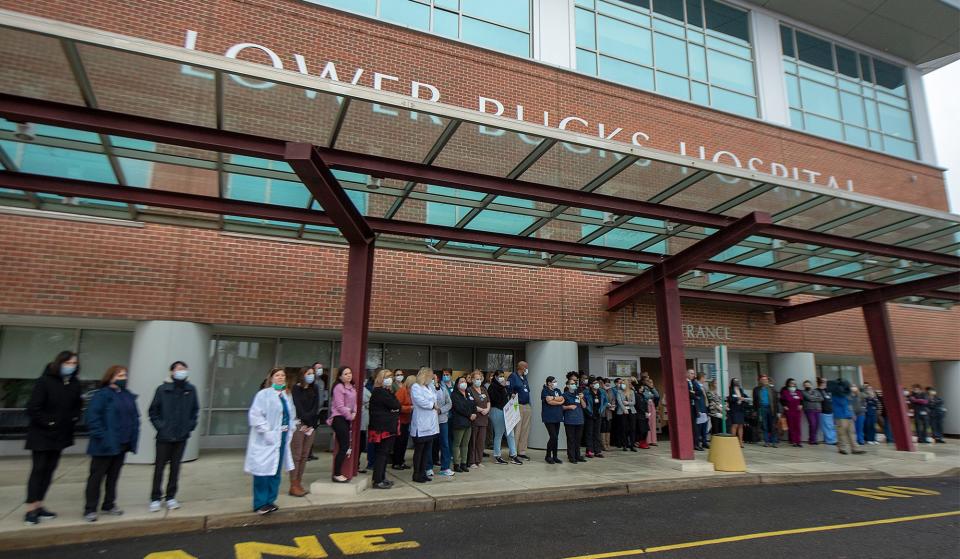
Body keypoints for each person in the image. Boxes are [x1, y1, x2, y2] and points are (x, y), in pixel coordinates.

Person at [23, 351, 83, 525]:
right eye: (69, 362)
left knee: (50, 470)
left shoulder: (74, 383)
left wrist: (74, 417)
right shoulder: (44, 382)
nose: (71, 366)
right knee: (38, 469)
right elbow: (33, 408)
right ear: (60, 363)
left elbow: (77, 405)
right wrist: (49, 422)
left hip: (61, 435)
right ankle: (30, 508)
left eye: (74, 363)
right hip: (41, 435)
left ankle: (40, 504)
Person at [84, 365, 140, 522]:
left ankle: (109, 503)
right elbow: (93, 419)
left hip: (122, 443)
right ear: (110, 377)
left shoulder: (128, 395)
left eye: (125, 375)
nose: (123, 378)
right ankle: (90, 508)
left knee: (113, 477)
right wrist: (103, 437)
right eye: (120, 375)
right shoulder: (102, 395)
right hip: (104, 445)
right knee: (96, 477)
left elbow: (134, 417)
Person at [148, 360, 199, 511]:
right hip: (164, 436)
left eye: (184, 368)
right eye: (178, 369)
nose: (182, 371)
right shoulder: (162, 389)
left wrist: (189, 427)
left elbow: (194, 411)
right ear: (172, 372)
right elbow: (153, 411)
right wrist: (161, 427)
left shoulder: (190, 390)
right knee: (159, 468)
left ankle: (171, 496)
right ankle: (155, 498)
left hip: (181, 436)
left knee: (175, 468)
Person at [244, 368, 296, 514]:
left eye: (283, 376)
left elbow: (290, 414)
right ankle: (260, 503)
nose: (280, 378)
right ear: (271, 378)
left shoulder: (285, 396)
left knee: (275, 471)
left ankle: (270, 500)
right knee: (262, 472)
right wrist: (266, 431)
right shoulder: (264, 394)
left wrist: (290, 428)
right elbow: (255, 415)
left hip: (282, 438)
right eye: (277, 375)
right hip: (266, 439)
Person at [287, 366, 319, 497]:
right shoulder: (296, 388)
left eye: (312, 373)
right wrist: (305, 422)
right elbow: (298, 407)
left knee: (305, 455)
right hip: (299, 424)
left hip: (311, 426)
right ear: (303, 375)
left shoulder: (315, 388)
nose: (311, 375)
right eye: (308, 373)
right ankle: (293, 483)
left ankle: (299, 482)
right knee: (297, 455)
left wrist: (311, 423)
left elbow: (316, 406)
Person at [367, 369, 400, 489]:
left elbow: (397, 405)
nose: (389, 379)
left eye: (390, 377)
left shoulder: (387, 392)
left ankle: (382, 477)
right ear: (381, 379)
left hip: (387, 427)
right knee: (381, 454)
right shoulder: (380, 392)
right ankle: (377, 480)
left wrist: (394, 409)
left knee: (385, 455)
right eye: (387, 377)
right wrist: (393, 410)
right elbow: (395, 405)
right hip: (382, 428)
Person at [327, 367, 357, 482]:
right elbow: (339, 406)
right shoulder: (338, 387)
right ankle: (337, 473)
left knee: (345, 445)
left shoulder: (352, 387)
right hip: (339, 418)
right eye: (345, 374)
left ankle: (338, 473)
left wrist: (354, 412)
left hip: (347, 418)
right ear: (340, 376)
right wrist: (350, 415)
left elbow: (354, 403)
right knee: (344, 446)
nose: (348, 375)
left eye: (350, 373)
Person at [410, 367, 439, 483]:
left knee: (427, 450)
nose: (432, 378)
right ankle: (416, 474)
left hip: (431, 423)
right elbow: (420, 401)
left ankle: (423, 472)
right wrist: (433, 405)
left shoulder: (430, 387)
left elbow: (435, 398)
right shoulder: (416, 387)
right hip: (421, 424)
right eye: (431, 376)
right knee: (419, 450)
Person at [488, 371, 522, 465]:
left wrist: (510, 393)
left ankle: (513, 455)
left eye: (503, 376)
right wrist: (504, 388)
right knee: (499, 434)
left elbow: (509, 394)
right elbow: (496, 399)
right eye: (500, 376)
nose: (502, 378)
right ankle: (497, 455)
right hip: (497, 410)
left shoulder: (504, 387)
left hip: (506, 411)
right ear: (495, 377)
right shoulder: (493, 387)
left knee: (510, 434)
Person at [828, 377, 865, 455]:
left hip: (848, 415)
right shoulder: (836, 394)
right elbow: (842, 403)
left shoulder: (846, 394)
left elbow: (849, 405)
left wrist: (852, 414)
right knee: (842, 433)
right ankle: (842, 448)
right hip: (840, 416)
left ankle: (855, 448)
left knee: (852, 433)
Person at [508, 361, 533, 461]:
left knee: (525, 430)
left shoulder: (524, 378)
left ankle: (521, 451)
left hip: (526, 405)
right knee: (517, 429)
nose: (527, 369)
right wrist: (512, 394)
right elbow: (509, 388)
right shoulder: (513, 376)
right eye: (526, 367)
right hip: (517, 405)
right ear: (521, 367)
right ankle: (513, 452)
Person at [450, 375, 475, 472]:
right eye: (461, 381)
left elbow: (473, 404)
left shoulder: (468, 393)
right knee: (457, 444)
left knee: (465, 444)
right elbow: (459, 407)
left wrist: (473, 413)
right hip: (459, 422)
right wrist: (469, 415)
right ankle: (456, 464)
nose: (464, 383)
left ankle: (464, 463)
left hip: (469, 422)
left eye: (464, 381)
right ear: (457, 384)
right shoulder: (454, 394)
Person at [467, 370, 490, 469]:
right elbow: (470, 404)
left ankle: (479, 460)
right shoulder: (469, 390)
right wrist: (480, 410)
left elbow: (488, 401)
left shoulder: (484, 389)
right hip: (475, 418)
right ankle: (472, 461)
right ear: (472, 380)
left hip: (484, 418)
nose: (479, 381)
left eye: (480, 379)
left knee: (481, 441)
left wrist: (487, 409)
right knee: (473, 441)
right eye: (477, 379)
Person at [434, 369, 455, 475]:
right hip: (430, 420)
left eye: (435, 378)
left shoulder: (443, 388)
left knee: (445, 443)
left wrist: (441, 410)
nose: (433, 380)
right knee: (431, 444)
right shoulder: (426, 389)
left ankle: (445, 467)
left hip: (443, 419)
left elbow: (449, 403)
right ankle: (428, 467)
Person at [391, 371, 413, 470]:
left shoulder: (409, 392)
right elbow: (397, 406)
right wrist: (409, 408)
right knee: (399, 443)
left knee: (404, 442)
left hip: (406, 420)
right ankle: (396, 462)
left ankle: (401, 461)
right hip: (400, 420)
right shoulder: (402, 391)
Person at [541, 376, 565, 464]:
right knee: (553, 437)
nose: (555, 383)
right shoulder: (545, 390)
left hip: (557, 417)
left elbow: (562, 399)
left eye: (556, 381)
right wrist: (558, 401)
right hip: (549, 417)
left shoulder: (557, 390)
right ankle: (548, 456)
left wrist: (554, 398)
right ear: (549, 383)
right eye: (554, 381)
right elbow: (549, 402)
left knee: (556, 438)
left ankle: (555, 456)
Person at [562, 377, 586, 463]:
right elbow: (561, 407)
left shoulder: (578, 394)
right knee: (571, 439)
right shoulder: (564, 395)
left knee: (578, 439)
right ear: (568, 385)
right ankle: (571, 457)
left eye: (574, 384)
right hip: (570, 420)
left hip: (579, 419)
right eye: (571, 384)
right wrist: (568, 407)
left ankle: (578, 455)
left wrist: (582, 398)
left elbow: (584, 406)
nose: (574, 385)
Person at [752, 375, 779, 448]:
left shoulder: (772, 389)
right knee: (764, 425)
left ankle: (774, 442)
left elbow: (776, 401)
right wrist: (754, 410)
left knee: (772, 425)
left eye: (766, 379)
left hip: (771, 409)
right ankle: (766, 442)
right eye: (762, 379)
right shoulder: (756, 389)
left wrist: (778, 412)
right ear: (760, 381)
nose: (764, 381)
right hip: (761, 408)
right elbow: (755, 401)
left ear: (768, 380)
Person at [583, 378, 606, 458]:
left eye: (597, 382)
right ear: (590, 385)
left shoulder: (602, 391)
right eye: (594, 383)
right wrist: (589, 412)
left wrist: (602, 409)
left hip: (598, 414)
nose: (597, 384)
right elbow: (584, 404)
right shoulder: (586, 392)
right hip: (589, 415)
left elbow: (605, 402)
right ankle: (589, 451)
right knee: (589, 433)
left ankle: (598, 451)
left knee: (597, 433)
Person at [308, 361, 326, 461]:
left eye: (321, 368)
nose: (320, 370)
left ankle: (310, 452)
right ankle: (307, 453)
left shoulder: (322, 382)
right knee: (308, 432)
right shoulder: (311, 381)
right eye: (318, 368)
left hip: (319, 411)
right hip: (311, 411)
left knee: (313, 432)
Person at [779, 378, 804, 447]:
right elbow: (781, 400)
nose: (793, 384)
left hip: (797, 411)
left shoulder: (798, 391)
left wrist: (801, 405)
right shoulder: (785, 391)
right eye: (792, 382)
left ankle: (798, 441)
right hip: (789, 410)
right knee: (791, 426)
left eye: (794, 383)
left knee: (797, 426)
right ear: (788, 383)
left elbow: (802, 400)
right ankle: (793, 441)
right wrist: (784, 406)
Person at [615, 377, 637, 452]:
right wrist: (624, 409)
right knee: (624, 429)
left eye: (624, 383)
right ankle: (624, 445)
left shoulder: (632, 392)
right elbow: (619, 401)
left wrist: (628, 403)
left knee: (632, 429)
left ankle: (632, 445)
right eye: (622, 383)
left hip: (631, 411)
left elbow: (634, 402)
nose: (622, 385)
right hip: (622, 411)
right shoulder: (619, 392)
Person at [688, 370, 709, 451]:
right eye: (704, 378)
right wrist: (699, 409)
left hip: (704, 407)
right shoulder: (695, 384)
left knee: (705, 426)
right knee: (698, 427)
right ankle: (698, 443)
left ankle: (704, 442)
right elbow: (697, 397)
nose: (705, 380)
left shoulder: (703, 386)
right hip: (699, 408)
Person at [727, 378, 749, 447]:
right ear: (733, 382)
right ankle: (733, 441)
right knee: (735, 425)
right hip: (734, 409)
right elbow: (730, 399)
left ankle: (740, 441)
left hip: (740, 409)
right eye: (735, 381)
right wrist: (738, 398)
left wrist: (745, 399)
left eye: (738, 381)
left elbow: (745, 397)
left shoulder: (740, 390)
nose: (737, 382)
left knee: (741, 425)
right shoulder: (730, 390)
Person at [800, 380, 823, 445]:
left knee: (817, 425)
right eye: (805, 385)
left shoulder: (816, 391)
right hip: (809, 410)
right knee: (812, 424)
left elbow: (821, 398)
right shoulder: (803, 392)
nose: (807, 386)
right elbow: (809, 398)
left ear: (811, 385)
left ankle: (814, 439)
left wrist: (813, 398)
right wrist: (816, 398)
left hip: (818, 409)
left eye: (808, 384)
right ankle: (811, 440)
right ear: (804, 386)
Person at [817, 378, 836, 445]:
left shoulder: (828, 390)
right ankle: (830, 441)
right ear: (821, 383)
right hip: (824, 411)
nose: (826, 383)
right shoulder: (817, 391)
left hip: (831, 410)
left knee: (832, 426)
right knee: (827, 426)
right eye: (825, 382)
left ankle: (833, 439)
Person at [641, 378, 660, 446]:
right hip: (647, 406)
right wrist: (652, 395)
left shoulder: (652, 389)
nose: (650, 383)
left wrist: (652, 388)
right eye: (648, 382)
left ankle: (653, 440)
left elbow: (657, 396)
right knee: (648, 423)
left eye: (651, 382)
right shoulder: (644, 388)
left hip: (652, 406)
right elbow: (646, 396)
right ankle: (648, 440)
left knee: (653, 423)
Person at [602, 378, 616, 451]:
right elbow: (602, 400)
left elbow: (613, 399)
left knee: (608, 428)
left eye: (609, 383)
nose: (607, 385)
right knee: (603, 428)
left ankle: (608, 444)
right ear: (603, 384)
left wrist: (613, 405)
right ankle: (603, 444)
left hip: (609, 412)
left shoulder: (611, 391)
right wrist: (607, 404)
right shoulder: (601, 391)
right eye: (606, 383)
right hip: (603, 412)